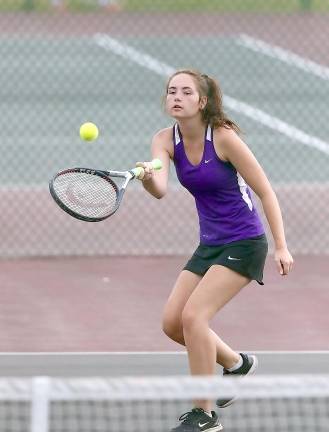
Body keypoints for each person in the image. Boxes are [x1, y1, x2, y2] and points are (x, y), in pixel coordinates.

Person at [136, 69, 293, 432]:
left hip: (244, 241)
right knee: (173, 324)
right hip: (210, 244)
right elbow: (159, 188)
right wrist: (147, 175)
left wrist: (282, 247)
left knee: (194, 318)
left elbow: (266, 191)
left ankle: (204, 414)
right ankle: (237, 364)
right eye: (171, 91)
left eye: (185, 92)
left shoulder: (223, 139)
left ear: (201, 102)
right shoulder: (164, 140)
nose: (176, 97)